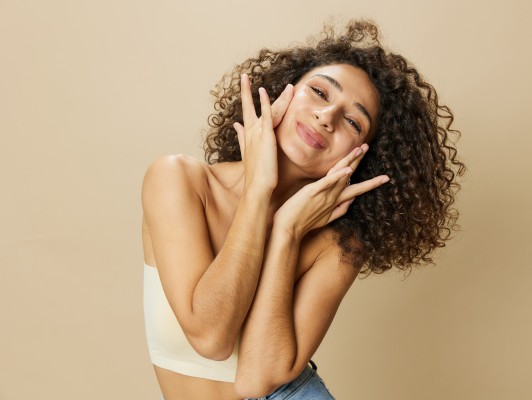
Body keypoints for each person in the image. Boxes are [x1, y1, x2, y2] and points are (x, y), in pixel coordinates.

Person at [141, 18, 466, 400]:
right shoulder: (179, 179)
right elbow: (211, 336)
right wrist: (258, 191)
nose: (326, 117)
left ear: (360, 158)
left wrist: (286, 231)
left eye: (352, 121)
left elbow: (256, 381)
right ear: (284, 93)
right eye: (319, 92)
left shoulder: (339, 245)